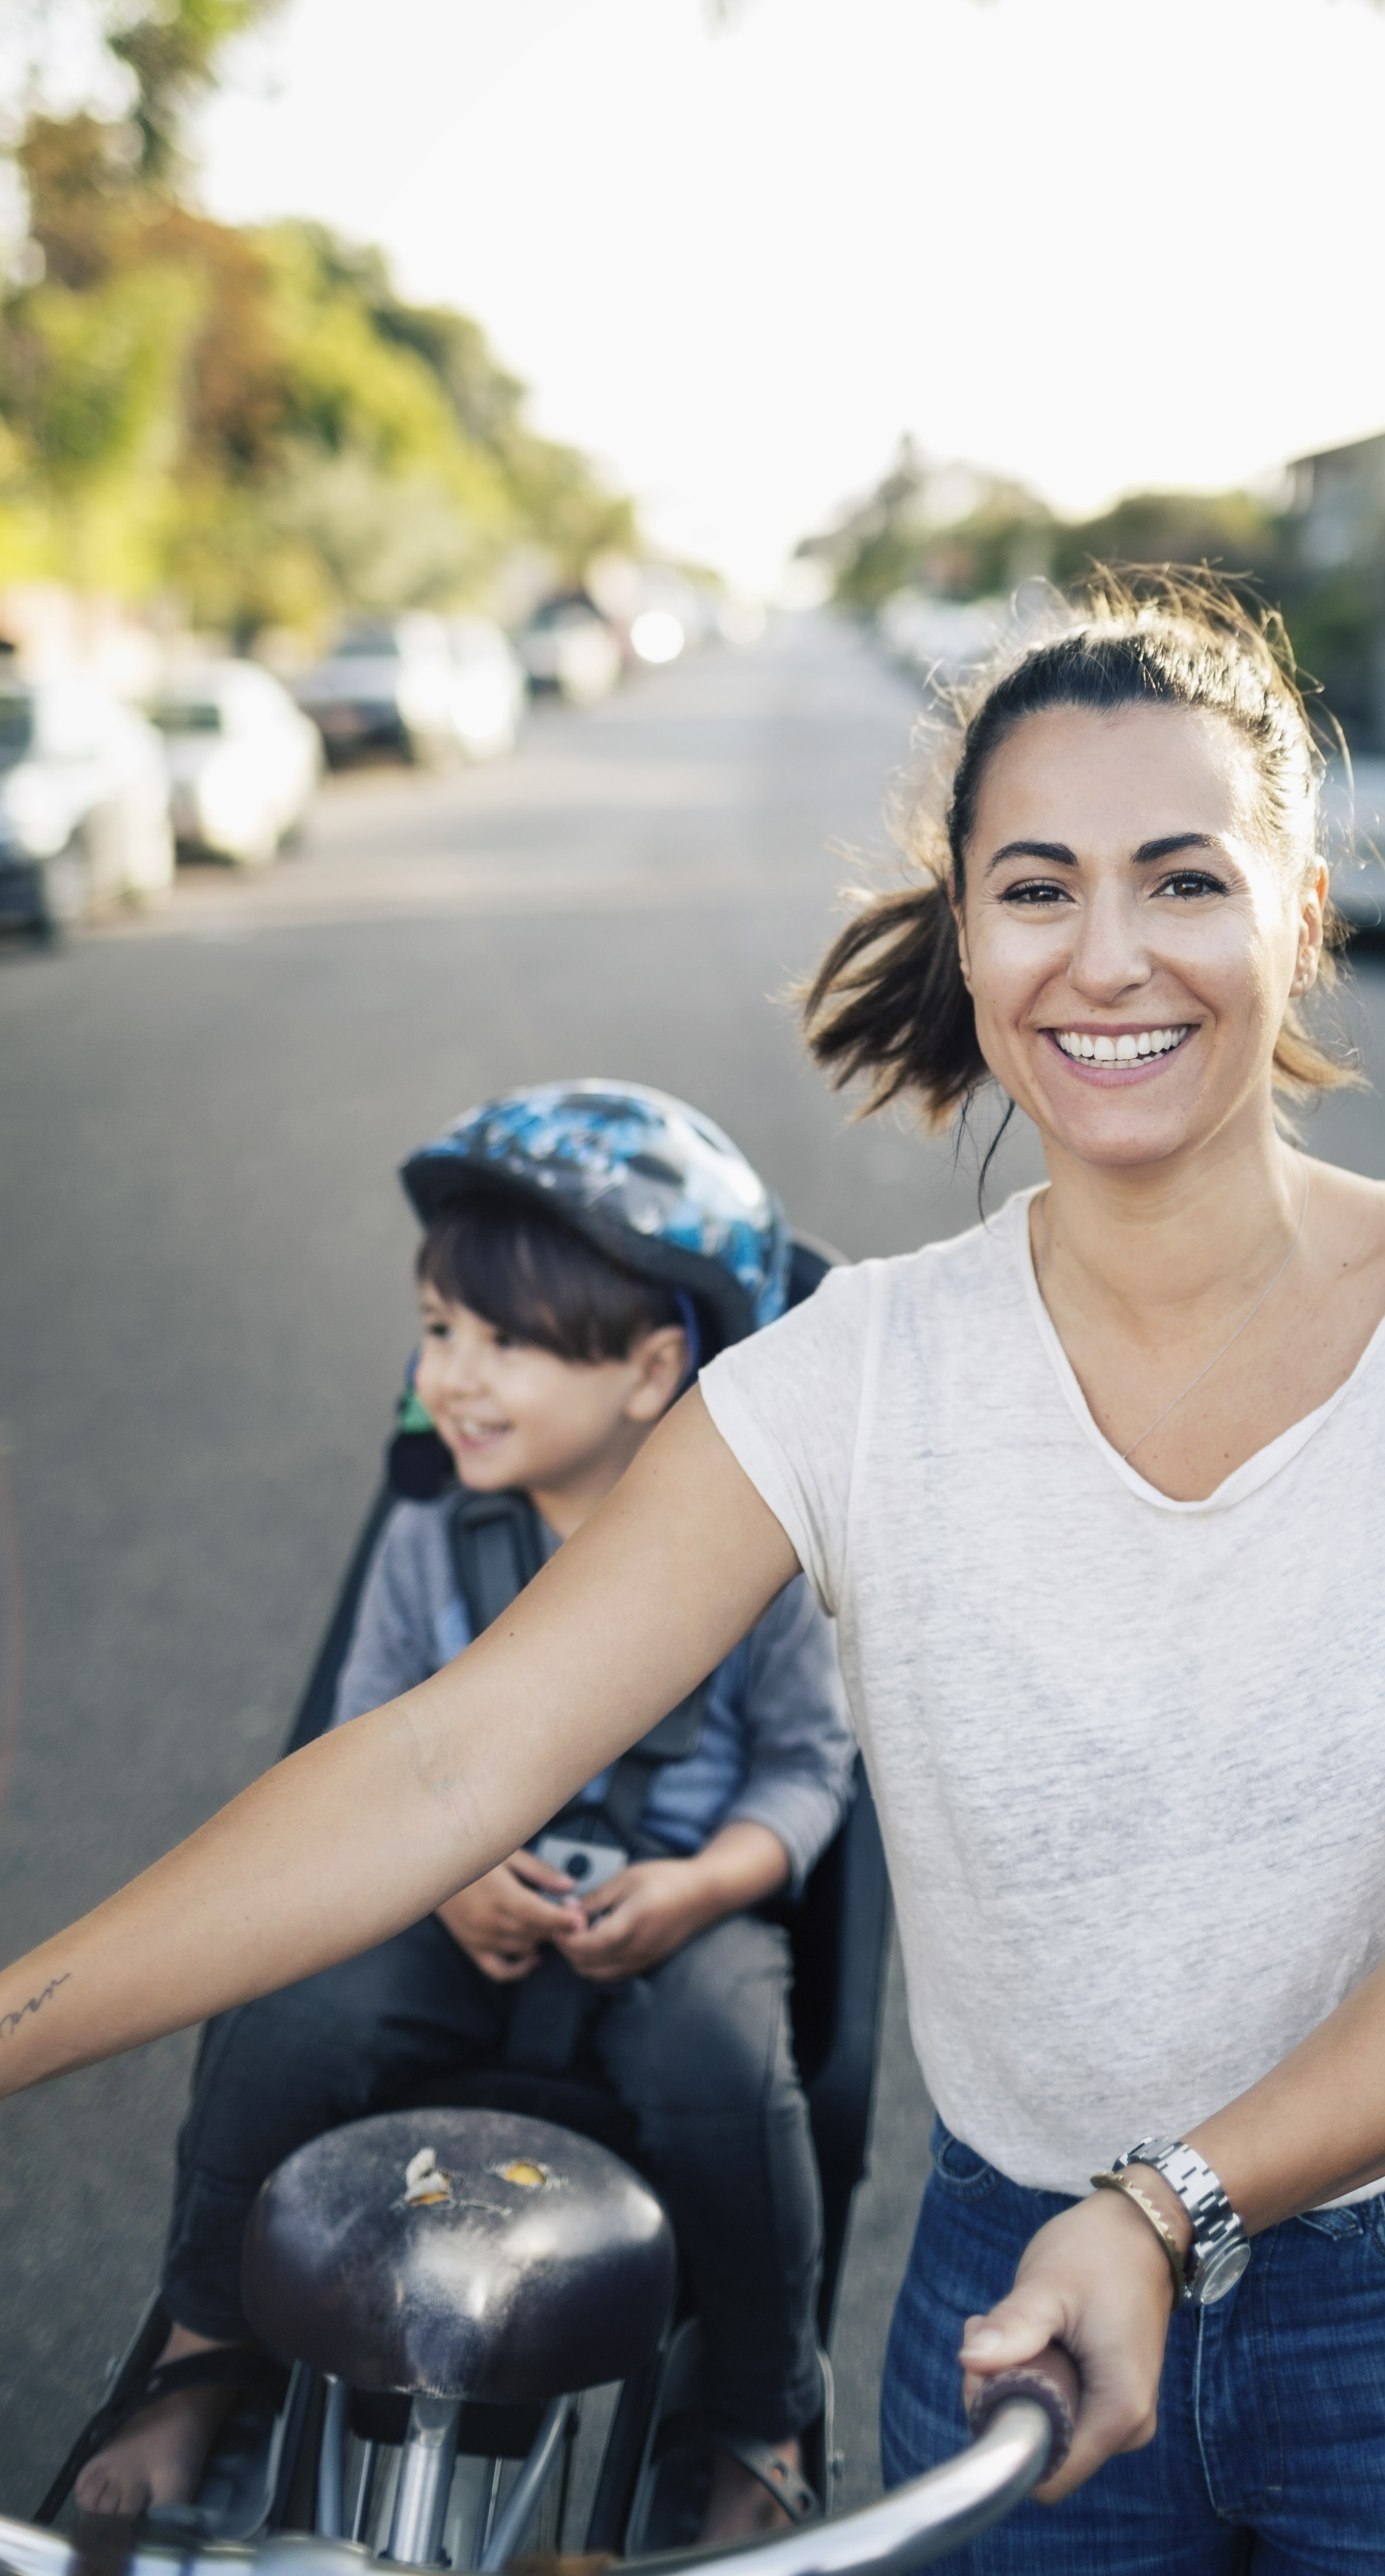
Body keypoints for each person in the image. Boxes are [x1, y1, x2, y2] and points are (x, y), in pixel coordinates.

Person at [0, 584, 1385, 2576]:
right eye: (1038, 888)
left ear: (1298, 912)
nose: (1108, 957)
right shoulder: (850, 1376)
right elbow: (440, 1766)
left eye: (1182, 880)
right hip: (1026, 2278)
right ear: (967, 934)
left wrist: (1173, 2204)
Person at [72, 1083, 854, 2553]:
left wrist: (705, 1888)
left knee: (728, 2063)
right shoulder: (430, 1537)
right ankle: (199, 2351)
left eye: (508, 1343)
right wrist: (441, 1876)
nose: (455, 1377)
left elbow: (810, 1774)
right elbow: (367, 1737)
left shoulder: (761, 1561)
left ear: (650, 1371)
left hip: (672, 1915)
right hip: (446, 1896)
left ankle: (759, 2412)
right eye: (440, 1331)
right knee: (281, 2016)